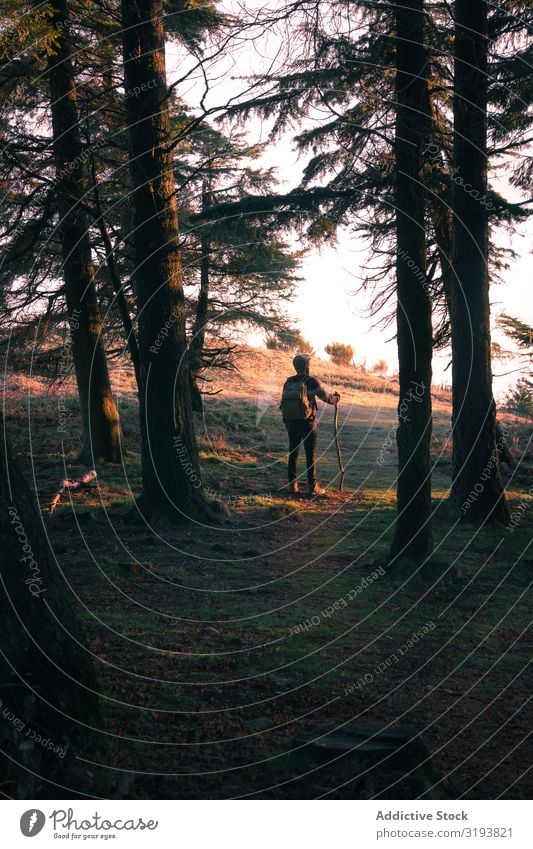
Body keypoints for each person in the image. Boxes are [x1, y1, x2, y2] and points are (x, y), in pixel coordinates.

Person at [280, 353, 340, 496]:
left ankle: (292, 485)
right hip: (308, 422)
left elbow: (284, 403)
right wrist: (337, 397)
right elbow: (327, 399)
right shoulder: (311, 381)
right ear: (307, 366)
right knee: (310, 454)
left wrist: (287, 421)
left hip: (292, 422)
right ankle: (312, 486)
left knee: (293, 453)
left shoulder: (288, 381)